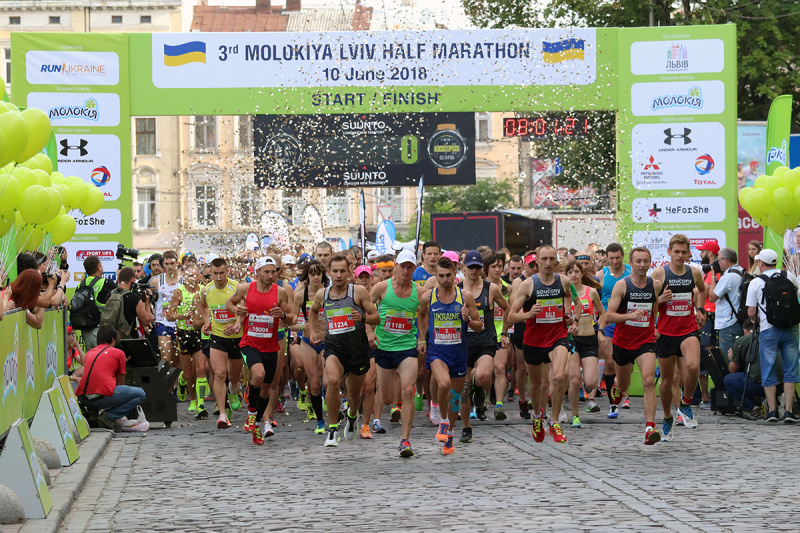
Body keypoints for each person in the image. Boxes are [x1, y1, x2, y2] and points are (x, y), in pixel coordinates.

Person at [508, 245, 581, 444]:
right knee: (537, 384)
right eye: (544, 259)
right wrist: (528, 314)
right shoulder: (528, 285)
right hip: (533, 340)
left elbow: (576, 302)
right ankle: (538, 416)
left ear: (556, 261)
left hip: (558, 336)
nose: (548, 263)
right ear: (537, 262)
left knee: (559, 376)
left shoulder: (564, 281)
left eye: (551, 259)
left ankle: (554, 421)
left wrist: (572, 319)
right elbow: (511, 315)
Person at [308, 254, 380, 447]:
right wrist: (313, 330)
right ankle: (332, 430)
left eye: (342, 271)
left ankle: (352, 415)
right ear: (328, 272)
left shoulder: (358, 292)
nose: (338, 275)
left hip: (357, 349)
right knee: (331, 381)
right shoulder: (322, 294)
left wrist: (363, 319)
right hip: (334, 347)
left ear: (349, 272)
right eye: (335, 271)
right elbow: (313, 310)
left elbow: (376, 317)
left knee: (354, 395)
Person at [418, 256, 483, 456]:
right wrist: (422, 339)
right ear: (435, 276)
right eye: (441, 276)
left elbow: (479, 326)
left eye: (449, 275)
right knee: (443, 384)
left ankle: (451, 433)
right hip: (437, 351)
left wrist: (468, 320)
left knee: (456, 397)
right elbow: (421, 315)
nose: (445, 279)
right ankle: (444, 421)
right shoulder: (428, 297)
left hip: (459, 352)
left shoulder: (466, 297)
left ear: (456, 275)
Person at [227, 255, 295, 445]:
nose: (271, 275)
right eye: (266, 271)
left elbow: (291, 318)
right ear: (257, 272)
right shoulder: (245, 289)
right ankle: (251, 414)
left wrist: (283, 315)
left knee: (266, 388)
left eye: (274, 272)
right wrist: (236, 311)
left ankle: (256, 424)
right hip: (250, 343)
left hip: (271, 345)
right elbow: (229, 303)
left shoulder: (280, 292)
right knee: (258, 374)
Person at [604, 247, 662, 444]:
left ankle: (650, 428)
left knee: (647, 380)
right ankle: (618, 388)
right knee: (624, 384)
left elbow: (654, 306)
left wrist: (653, 325)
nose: (642, 265)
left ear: (650, 262)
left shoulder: (655, 285)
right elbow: (608, 315)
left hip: (645, 340)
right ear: (631, 263)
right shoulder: (622, 285)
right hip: (623, 342)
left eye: (646, 261)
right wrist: (629, 316)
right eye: (638, 261)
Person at [370, 249, 426, 454]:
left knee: (407, 390)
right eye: (402, 266)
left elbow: (423, 316)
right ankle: (389, 409)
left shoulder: (419, 293)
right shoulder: (381, 288)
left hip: (407, 348)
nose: (405, 270)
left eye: (409, 266)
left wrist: (422, 338)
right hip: (384, 347)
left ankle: (405, 441)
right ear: (396, 266)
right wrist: (370, 332)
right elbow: (366, 308)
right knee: (386, 399)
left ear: (414, 268)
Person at [652, 234, 706, 437]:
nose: (680, 255)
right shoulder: (659, 273)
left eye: (684, 252)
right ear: (669, 252)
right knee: (667, 381)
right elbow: (649, 302)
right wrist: (660, 299)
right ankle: (667, 416)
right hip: (666, 332)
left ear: (688, 253)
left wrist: (700, 309)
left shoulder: (694, 272)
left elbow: (703, 290)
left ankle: (686, 402)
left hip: (688, 329)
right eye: (676, 252)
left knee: (693, 366)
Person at [458, 250, 508, 441]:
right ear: (463, 268)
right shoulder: (456, 289)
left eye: (477, 267)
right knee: (464, 392)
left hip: (485, 341)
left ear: (482, 269)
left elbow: (507, 308)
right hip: (462, 343)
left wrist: (503, 332)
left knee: (485, 375)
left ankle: (478, 386)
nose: (473, 270)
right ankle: (466, 428)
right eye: (470, 267)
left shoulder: (491, 289)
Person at [746, 248, 800, 422]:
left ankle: (772, 411)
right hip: (790, 328)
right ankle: (789, 411)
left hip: (768, 330)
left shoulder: (756, 282)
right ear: (775, 262)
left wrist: (756, 321)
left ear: (761, 263)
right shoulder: (789, 276)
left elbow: (751, 312)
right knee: (790, 370)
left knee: (768, 370)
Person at [197, 257, 242, 429]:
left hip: (237, 337)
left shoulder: (236, 288)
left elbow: (244, 309)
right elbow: (204, 307)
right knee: (219, 373)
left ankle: (234, 391)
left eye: (222, 273)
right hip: (217, 336)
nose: (218, 277)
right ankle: (223, 414)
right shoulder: (206, 290)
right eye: (214, 273)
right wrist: (207, 320)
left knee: (234, 377)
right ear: (210, 272)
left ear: (227, 271)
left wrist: (237, 323)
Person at [76, 325, 147, 432]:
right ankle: (109, 416)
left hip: (84, 399)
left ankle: (92, 412)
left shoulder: (90, 352)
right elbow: (121, 384)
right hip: (99, 399)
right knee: (140, 393)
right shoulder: (118, 353)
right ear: (113, 339)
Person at [565, 260, 604, 429]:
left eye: (576, 271)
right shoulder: (563, 293)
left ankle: (588, 391)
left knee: (591, 382)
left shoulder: (591, 292)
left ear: (582, 274)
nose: (573, 275)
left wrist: (600, 330)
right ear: (566, 275)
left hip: (589, 339)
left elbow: (603, 313)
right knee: (574, 381)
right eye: (570, 272)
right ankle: (575, 416)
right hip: (571, 341)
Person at [293, 259, 330, 434]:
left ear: (323, 275)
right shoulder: (300, 296)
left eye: (318, 273)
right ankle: (320, 421)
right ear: (307, 276)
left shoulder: (331, 293)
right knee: (314, 383)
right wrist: (302, 327)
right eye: (312, 274)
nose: (316, 277)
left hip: (327, 340)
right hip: (307, 341)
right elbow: (290, 323)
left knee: (329, 381)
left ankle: (333, 408)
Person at [166, 265, 206, 418]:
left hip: (199, 332)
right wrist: (184, 316)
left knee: (201, 368)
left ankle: (200, 404)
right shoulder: (179, 292)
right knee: (189, 373)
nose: (193, 278)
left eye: (196, 275)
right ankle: (191, 395)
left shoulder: (203, 290)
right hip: (183, 334)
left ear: (199, 277)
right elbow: (169, 315)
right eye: (190, 275)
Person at [595, 243, 630, 417]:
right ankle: (612, 404)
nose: (615, 261)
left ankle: (620, 387)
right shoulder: (601, 275)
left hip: (628, 322)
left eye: (618, 257)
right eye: (611, 258)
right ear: (606, 258)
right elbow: (593, 298)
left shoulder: (631, 271)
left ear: (623, 256)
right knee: (609, 362)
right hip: (609, 322)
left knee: (625, 364)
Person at [707, 247, 745, 360]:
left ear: (725, 260)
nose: (717, 263)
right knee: (739, 358)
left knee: (730, 360)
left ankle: (731, 378)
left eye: (718, 260)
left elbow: (712, 297)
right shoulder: (741, 271)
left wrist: (714, 275)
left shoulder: (728, 277)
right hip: (739, 319)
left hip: (728, 323)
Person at [723, 319, 763, 418]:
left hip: (758, 385)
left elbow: (732, 369)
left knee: (729, 380)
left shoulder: (742, 340)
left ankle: (751, 407)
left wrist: (732, 359)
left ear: (744, 330)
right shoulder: (769, 337)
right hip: (779, 385)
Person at [150, 251, 183, 371]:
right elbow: (147, 299)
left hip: (179, 322)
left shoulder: (183, 280)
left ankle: (176, 387)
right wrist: (149, 314)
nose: (169, 266)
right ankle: (164, 387)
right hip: (162, 321)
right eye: (167, 263)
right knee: (165, 357)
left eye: (172, 263)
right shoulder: (156, 281)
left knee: (176, 360)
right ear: (163, 264)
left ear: (177, 263)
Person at [78, 255, 117, 349]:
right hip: (102, 331)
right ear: (99, 267)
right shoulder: (107, 283)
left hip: (86, 330)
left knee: (93, 360)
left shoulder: (81, 284)